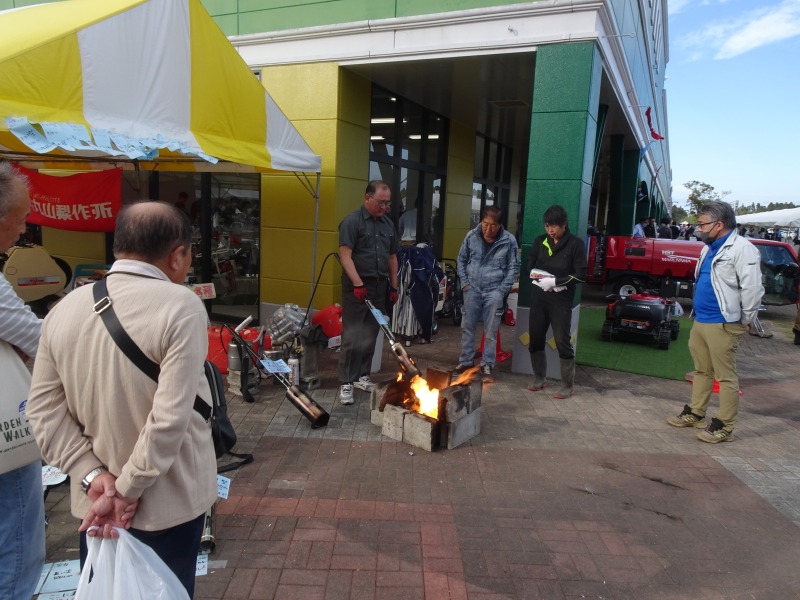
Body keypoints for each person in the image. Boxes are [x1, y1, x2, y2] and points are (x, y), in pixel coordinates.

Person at [27, 201, 217, 597]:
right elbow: (169, 418)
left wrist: (95, 478)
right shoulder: (181, 305)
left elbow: (43, 412)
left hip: (95, 504)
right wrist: (126, 491)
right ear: (178, 255)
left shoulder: (63, 309)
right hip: (167, 500)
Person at [666, 201, 764, 443]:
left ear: (718, 225)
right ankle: (697, 413)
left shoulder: (743, 249)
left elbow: (752, 287)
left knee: (725, 376)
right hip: (701, 319)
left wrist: (747, 318)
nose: (697, 228)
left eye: (701, 224)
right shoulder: (708, 247)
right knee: (702, 370)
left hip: (723, 323)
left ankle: (724, 425)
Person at [0, 161, 45, 599]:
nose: (25, 227)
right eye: (21, 217)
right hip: (4, 437)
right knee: (15, 542)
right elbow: (35, 336)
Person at [337, 180, 400, 404]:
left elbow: (393, 257)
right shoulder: (352, 222)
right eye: (380, 202)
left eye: (387, 203)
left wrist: (393, 286)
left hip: (379, 288)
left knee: (371, 333)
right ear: (367, 198)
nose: (384, 207)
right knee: (352, 335)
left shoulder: (387, 224)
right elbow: (345, 255)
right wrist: (357, 283)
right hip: (357, 288)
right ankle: (346, 382)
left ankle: (362, 376)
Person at [452, 206, 520, 382]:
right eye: (485, 224)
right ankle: (466, 361)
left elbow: (513, 268)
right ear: (481, 221)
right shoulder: (471, 236)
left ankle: (487, 365)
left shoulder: (508, 240)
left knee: (491, 330)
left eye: (493, 225)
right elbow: (461, 259)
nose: (488, 229)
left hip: (494, 291)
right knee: (467, 327)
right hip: (472, 289)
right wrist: (465, 283)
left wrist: (501, 290)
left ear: (500, 225)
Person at [526, 204, 587, 398]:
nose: (550, 230)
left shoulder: (575, 244)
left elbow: (581, 275)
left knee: (562, 340)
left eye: (554, 226)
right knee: (535, 339)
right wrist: (538, 276)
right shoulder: (540, 241)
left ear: (564, 225)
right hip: (539, 297)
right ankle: (539, 378)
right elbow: (529, 265)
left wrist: (556, 282)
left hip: (561, 299)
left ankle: (567, 385)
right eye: (547, 226)